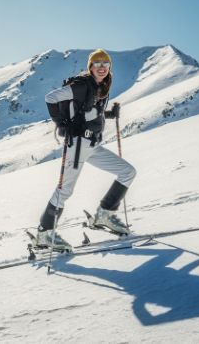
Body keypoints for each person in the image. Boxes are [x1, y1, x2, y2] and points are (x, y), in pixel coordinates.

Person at [34, 49, 137, 251]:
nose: (101, 67)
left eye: (105, 64)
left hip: (93, 145)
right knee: (65, 190)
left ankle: (105, 214)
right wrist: (63, 124)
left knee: (128, 172)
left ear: (109, 68)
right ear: (90, 66)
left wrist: (108, 114)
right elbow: (51, 97)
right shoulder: (82, 85)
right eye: (97, 63)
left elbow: (88, 112)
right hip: (78, 144)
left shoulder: (101, 87)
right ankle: (44, 234)